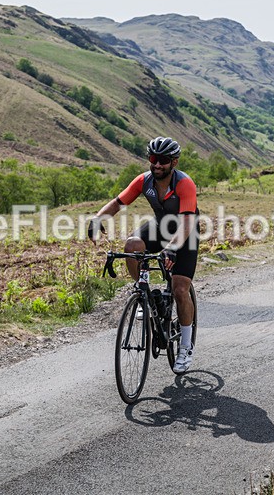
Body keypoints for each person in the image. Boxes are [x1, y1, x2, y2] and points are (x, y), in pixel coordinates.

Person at [88, 137, 199, 373]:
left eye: (163, 161)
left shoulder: (184, 184)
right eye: (152, 159)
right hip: (161, 226)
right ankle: (142, 291)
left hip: (186, 231)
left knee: (180, 288)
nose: (157, 165)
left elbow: (187, 222)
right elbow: (118, 202)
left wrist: (172, 248)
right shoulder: (144, 180)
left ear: (173, 162)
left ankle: (186, 346)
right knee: (132, 245)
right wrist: (98, 219)